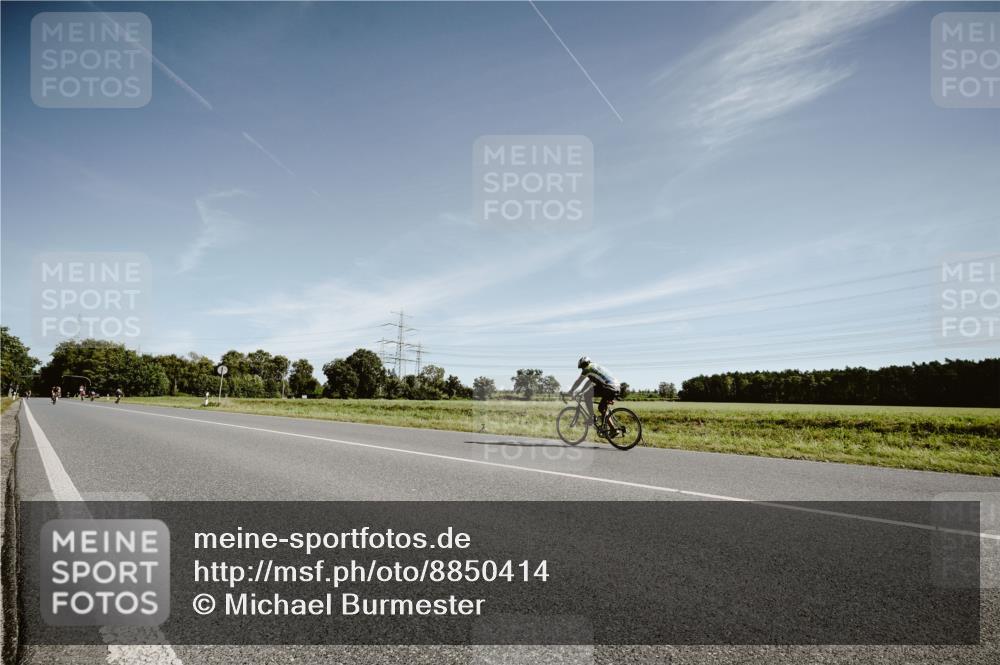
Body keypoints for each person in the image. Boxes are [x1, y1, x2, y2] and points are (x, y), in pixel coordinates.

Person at [568, 357, 621, 427]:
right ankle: (613, 429)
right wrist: (580, 392)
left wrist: (571, 391)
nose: (582, 369)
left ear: (585, 364)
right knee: (602, 408)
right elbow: (589, 382)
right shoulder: (594, 367)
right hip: (616, 387)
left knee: (587, 395)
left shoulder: (587, 369)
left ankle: (592, 417)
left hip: (609, 387)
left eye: (582, 367)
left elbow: (579, 381)